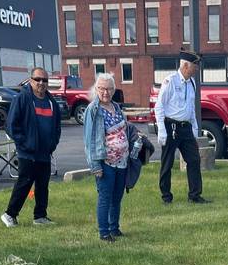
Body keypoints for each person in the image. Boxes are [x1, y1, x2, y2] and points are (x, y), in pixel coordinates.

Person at [83, 73, 143, 241]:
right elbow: (89, 141)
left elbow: (125, 129)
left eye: (109, 89)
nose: (105, 92)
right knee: (105, 198)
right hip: (105, 163)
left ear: (114, 89)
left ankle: (114, 228)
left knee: (117, 197)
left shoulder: (117, 108)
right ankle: (104, 232)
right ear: (96, 89)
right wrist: (95, 166)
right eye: (101, 88)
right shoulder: (92, 110)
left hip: (122, 162)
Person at [1, 67, 62, 228]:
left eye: (44, 80)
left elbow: (57, 127)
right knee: (25, 183)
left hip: (44, 152)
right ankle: (10, 214)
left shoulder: (51, 102)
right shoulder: (22, 98)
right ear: (31, 80)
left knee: (43, 185)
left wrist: (52, 143)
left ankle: (40, 216)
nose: (41, 83)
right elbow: (11, 125)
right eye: (37, 79)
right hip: (27, 152)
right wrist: (24, 143)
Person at [155, 49, 210, 205]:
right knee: (167, 162)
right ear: (186, 66)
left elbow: (191, 107)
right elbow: (159, 107)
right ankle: (166, 196)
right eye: (195, 65)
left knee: (193, 160)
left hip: (186, 128)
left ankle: (195, 195)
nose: (197, 69)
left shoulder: (191, 83)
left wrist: (194, 127)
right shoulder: (170, 81)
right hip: (171, 126)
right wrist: (161, 130)